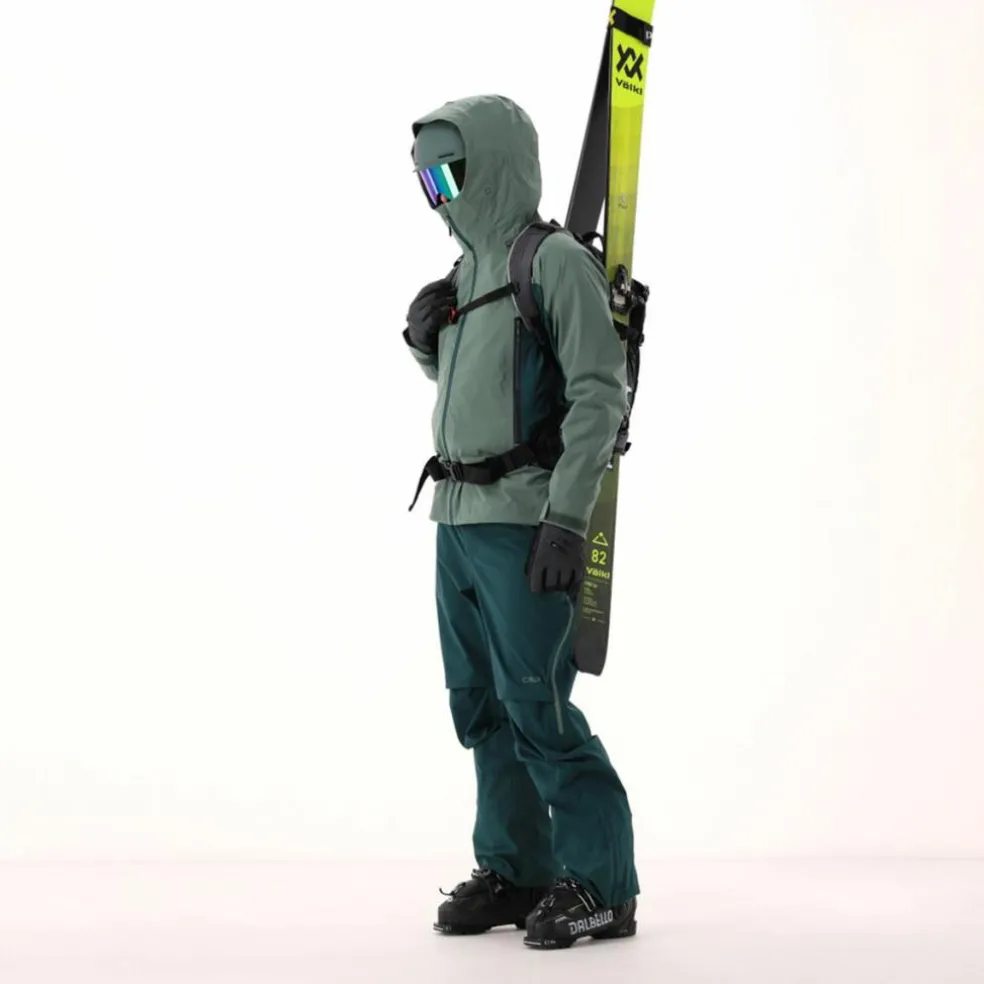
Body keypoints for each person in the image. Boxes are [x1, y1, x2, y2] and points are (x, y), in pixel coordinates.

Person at [404, 94, 639, 950]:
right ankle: (517, 867)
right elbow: (489, 384)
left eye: (449, 175)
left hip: (523, 521)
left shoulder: (554, 262)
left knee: (535, 703)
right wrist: (427, 344)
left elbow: (598, 396)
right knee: (481, 706)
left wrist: (568, 519)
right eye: (427, 181)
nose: (438, 196)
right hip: (457, 518)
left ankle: (602, 884)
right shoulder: (468, 271)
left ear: (492, 168)